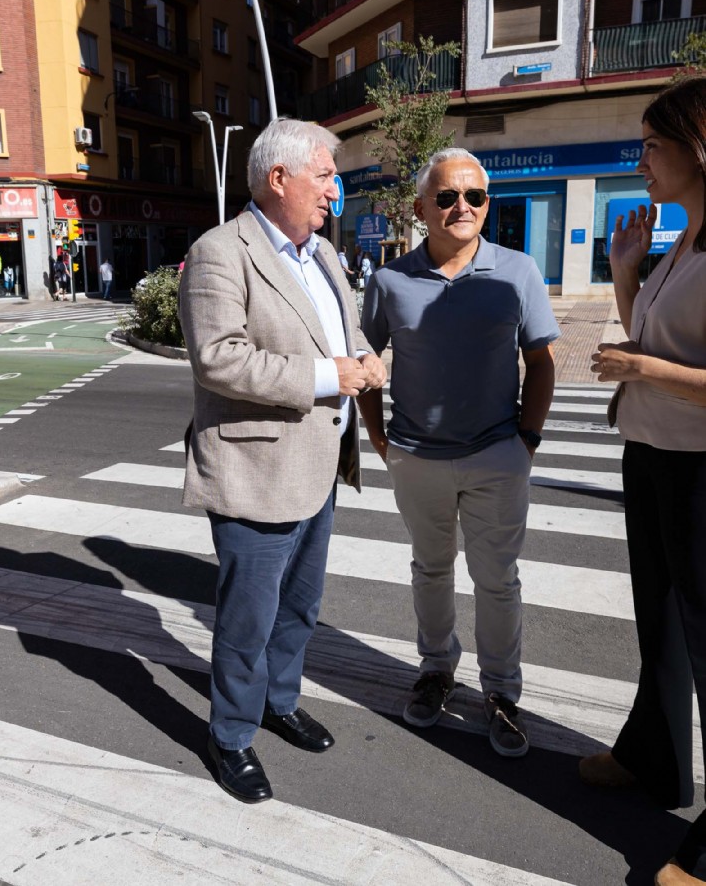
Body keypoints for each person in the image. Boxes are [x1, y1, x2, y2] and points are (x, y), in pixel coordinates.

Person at [179, 118, 387, 804]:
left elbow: (344, 331)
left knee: (300, 607)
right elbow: (219, 359)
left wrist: (365, 360)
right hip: (256, 469)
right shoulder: (220, 251)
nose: (337, 188)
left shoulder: (322, 253)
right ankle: (232, 735)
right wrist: (332, 376)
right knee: (248, 619)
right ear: (280, 178)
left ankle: (279, 700)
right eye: (325, 175)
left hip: (319, 463)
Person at [358, 146, 559, 759]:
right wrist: (377, 436)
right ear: (422, 208)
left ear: (487, 203)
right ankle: (437, 669)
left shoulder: (518, 272)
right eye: (446, 197)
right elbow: (366, 364)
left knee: (497, 581)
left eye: (473, 196)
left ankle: (501, 691)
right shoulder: (390, 280)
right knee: (430, 570)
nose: (461, 207)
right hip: (417, 457)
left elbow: (542, 361)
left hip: (498, 452)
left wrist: (527, 439)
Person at [584, 76, 706, 886]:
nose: (642, 160)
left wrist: (641, 365)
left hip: (701, 467)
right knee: (658, 621)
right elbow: (649, 340)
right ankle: (656, 759)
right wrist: (627, 269)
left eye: (654, 145)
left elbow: (659, 362)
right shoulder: (680, 244)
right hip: (651, 450)